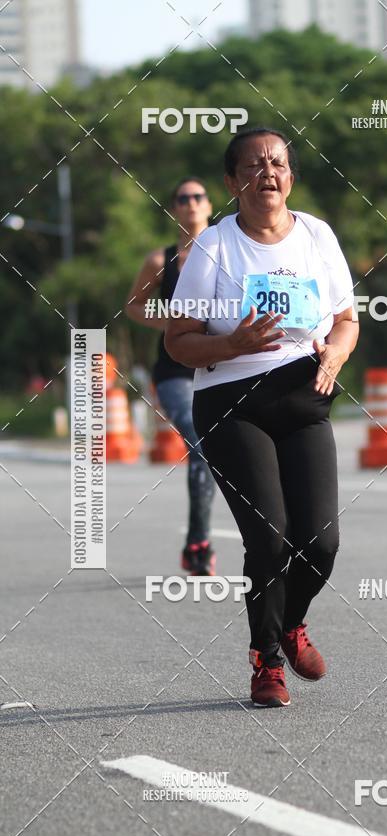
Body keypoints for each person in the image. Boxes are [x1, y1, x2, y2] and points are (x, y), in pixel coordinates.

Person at [165, 128, 359, 707]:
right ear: (232, 182)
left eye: (278, 163)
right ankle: (267, 660)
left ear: (291, 177)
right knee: (269, 538)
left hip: (305, 398)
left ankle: (291, 622)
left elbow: (346, 320)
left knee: (320, 543)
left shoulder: (317, 236)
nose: (267, 173)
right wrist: (234, 344)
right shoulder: (213, 248)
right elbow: (178, 340)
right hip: (232, 403)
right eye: (253, 165)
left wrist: (336, 353)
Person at [125, 177, 217, 575]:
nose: (191, 203)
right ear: (174, 209)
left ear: (209, 205)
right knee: (200, 443)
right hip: (175, 372)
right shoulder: (160, 261)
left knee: (226, 451)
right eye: (183, 198)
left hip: (221, 367)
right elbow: (134, 305)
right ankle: (198, 544)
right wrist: (168, 321)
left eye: (198, 196)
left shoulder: (227, 253)